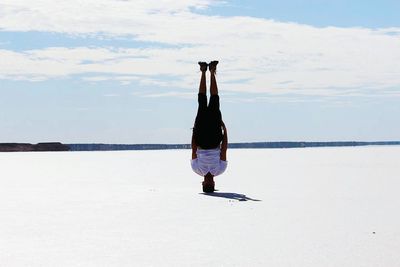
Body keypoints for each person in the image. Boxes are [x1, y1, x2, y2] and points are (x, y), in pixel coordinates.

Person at [191, 60, 228, 193]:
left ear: (203, 183)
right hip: (214, 139)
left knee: (201, 100)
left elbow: (193, 148)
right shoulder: (220, 169)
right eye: (211, 184)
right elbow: (224, 150)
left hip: (201, 138)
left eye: (207, 184)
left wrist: (194, 130)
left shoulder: (196, 169)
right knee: (214, 99)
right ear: (214, 183)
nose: (209, 181)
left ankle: (203, 71)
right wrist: (225, 131)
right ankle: (212, 71)